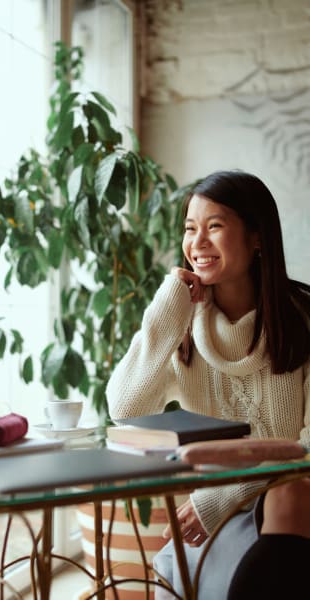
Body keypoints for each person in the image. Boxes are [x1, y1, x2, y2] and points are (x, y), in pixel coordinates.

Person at [105, 169, 310, 599]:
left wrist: (224, 499)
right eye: (189, 228)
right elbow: (124, 409)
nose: (196, 243)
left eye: (214, 226)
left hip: (292, 505)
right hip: (217, 511)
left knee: (291, 495)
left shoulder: (303, 319)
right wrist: (166, 310)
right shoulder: (181, 324)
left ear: (257, 238)